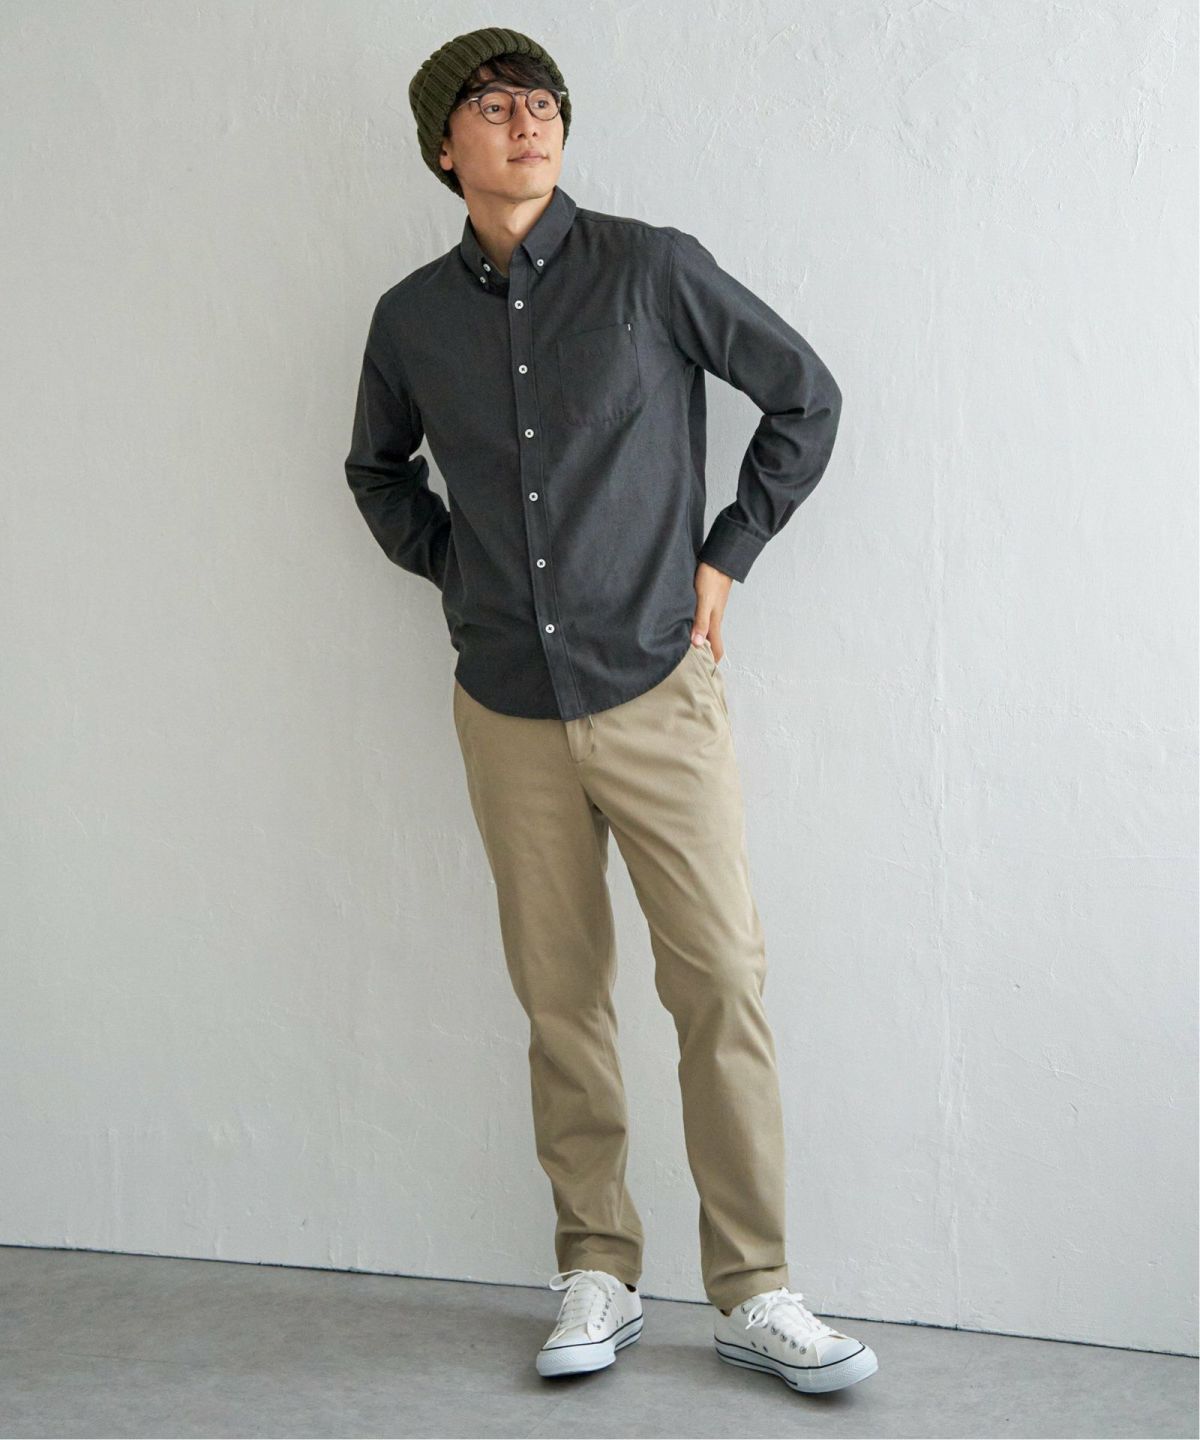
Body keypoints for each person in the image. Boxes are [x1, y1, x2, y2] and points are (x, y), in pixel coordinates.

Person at [345, 25, 878, 1396]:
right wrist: (458, 569)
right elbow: (377, 472)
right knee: (560, 995)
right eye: (494, 105)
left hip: (656, 684)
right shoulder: (411, 319)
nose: (527, 121)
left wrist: (725, 556)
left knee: (720, 981)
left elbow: (805, 399)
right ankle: (597, 1265)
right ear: (444, 146)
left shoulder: (653, 269)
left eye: (544, 102)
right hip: (505, 705)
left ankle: (756, 1287)